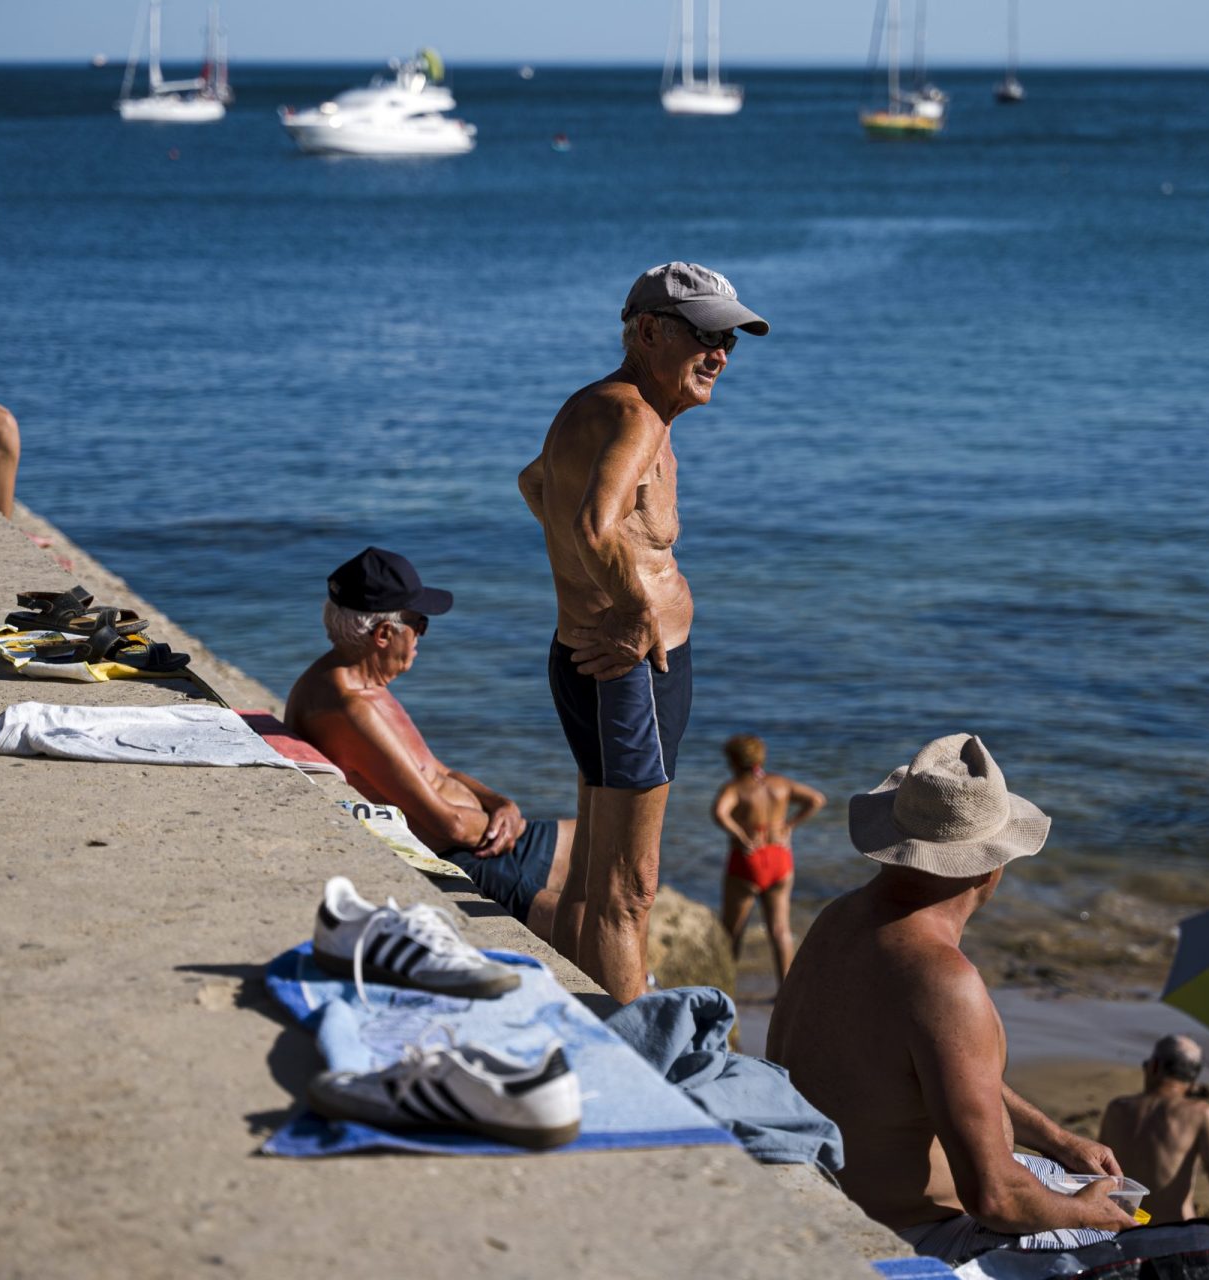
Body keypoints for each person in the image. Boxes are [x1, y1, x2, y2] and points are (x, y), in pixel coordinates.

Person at [767, 734, 1137, 1266]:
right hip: (903, 1233)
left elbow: (927, 1070)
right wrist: (1087, 1214)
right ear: (991, 869)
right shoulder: (943, 980)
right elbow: (995, 1198)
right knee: (1119, 1248)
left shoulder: (840, 919)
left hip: (827, 1196)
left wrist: (1055, 1139)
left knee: (1058, 1172)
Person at [517, 261, 769, 1003]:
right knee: (630, 890)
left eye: (731, 341)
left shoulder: (595, 406)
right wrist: (630, 612)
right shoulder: (634, 417)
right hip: (629, 668)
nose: (721, 355)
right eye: (706, 336)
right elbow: (594, 527)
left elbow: (536, 485)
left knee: (594, 880)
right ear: (650, 331)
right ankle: (633, 1062)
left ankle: (582, 1024)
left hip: (586, 659)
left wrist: (588, 587)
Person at [285, 546, 574, 942]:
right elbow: (447, 824)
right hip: (462, 859)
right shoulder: (351, 708)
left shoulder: (361, 680)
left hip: (483, 833)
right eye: (419, 624)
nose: (421, 637)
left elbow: (440, 771)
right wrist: (502, 826)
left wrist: (501, 804)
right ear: (385, 634)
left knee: (609, 848)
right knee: (588, 920)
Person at [1098, 1034, 1209, 1251]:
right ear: (1192, 1082)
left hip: (1124, 1234)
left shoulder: (1117, 1109)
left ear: (1154, 1067)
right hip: (1174, 1239)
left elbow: (1099, 1173)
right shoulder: (1202, 1114)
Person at [710, 733, 824, 981]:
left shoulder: (735, 788)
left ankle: (725, 988)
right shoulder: (779, 784)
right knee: (780, 929)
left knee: (732, 932)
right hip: (780, 856)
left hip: (748, 859)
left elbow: (719, 812)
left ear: (733, 760)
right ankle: (785, 991)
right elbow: (816, 799)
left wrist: (739, 834)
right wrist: (790, 825)